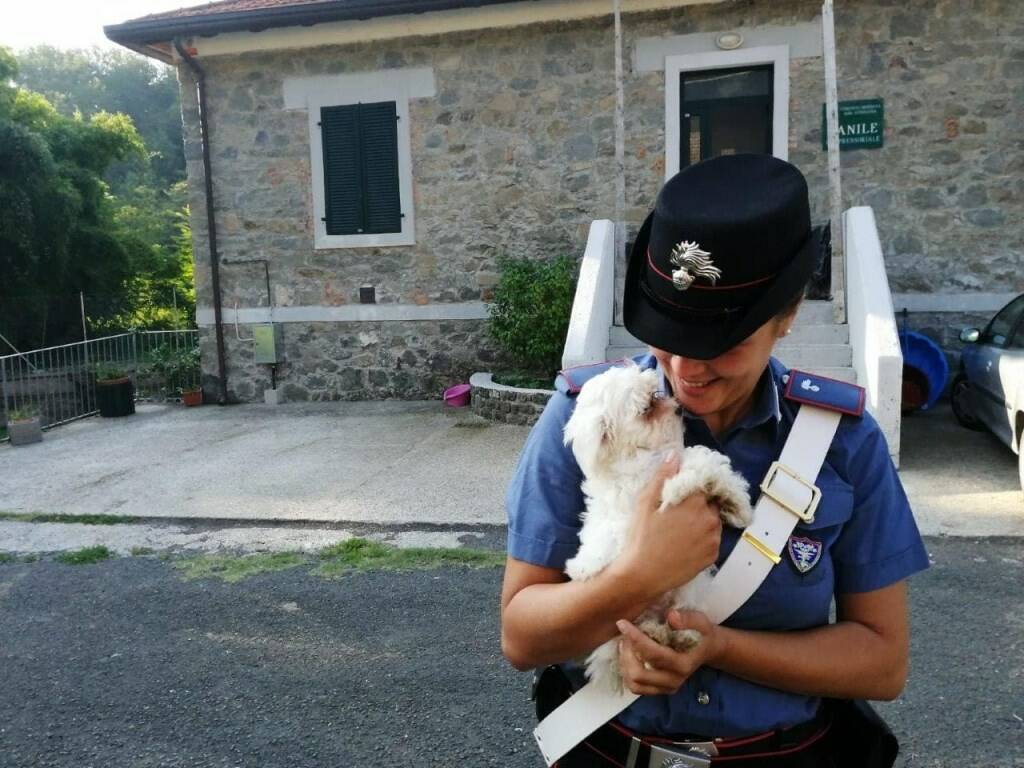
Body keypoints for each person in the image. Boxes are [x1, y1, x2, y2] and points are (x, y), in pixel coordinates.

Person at [499, 154, 929, 767]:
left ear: (786, 317)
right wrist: (636, 578)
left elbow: (883, 664)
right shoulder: (590, 417)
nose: (685, 369)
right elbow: (521, 636)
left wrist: (717, 645)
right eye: (670, 333)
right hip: (612, 752)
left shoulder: (844, 442)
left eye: (723, 342)